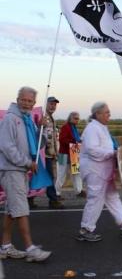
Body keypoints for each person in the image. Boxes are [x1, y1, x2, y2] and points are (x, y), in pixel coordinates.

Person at [76, 102, 122, 242]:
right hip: (95, 170)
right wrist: (111, 153)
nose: (109, 115)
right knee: (95, 199)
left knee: (112, 196)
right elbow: (93, 150)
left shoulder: (101, 127)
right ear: (98, 114)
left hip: (103, 171)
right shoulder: (92, 129)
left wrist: (113, 154)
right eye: (106, 112)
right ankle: (85, 229)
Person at [0, 86, 51, 262]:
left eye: (30, 101)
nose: (27, 103)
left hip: (20, 171)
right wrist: (27, 162)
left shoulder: (27, 120)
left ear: (34, 103)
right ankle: (31, 248)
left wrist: (42, 128)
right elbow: (7, 147)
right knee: (21, 209)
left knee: (11, 210)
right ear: (18, 99)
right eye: (24, 100)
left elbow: (38, 145)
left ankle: (5, 246)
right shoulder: (11, 119)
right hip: (12, 170)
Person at [55, 112, 86, 199]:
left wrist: (78, 141)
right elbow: (61, 139)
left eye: (78, 118)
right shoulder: (66, 127)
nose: (77, 120)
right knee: (61, 174)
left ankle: (79, 191)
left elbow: (74, 139)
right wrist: (74, 142)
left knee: (77, 173)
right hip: (64, 154)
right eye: (75, 118)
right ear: (70, 118)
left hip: (74, 153)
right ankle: (56, 193)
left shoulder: (73, 128)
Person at [41, 96, 64, 209]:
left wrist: (56, 152)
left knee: (49, 176)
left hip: (52, 153)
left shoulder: (52, 119)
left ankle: (30, 198)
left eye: (54, 104)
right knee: (50, 177)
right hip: (44, 154)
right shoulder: (43, 117)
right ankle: (53, 200)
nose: (53, 106)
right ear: (46, 104)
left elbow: (54, 138)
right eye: (51, 104)